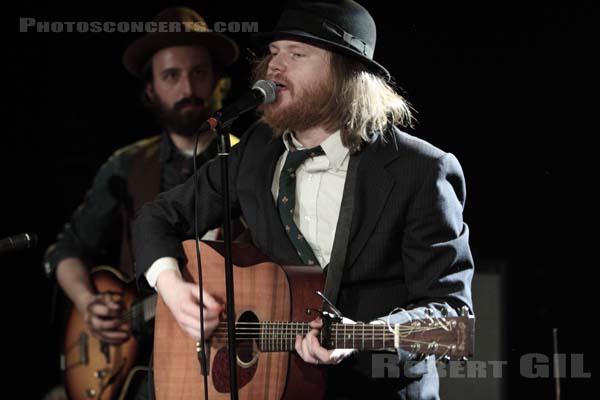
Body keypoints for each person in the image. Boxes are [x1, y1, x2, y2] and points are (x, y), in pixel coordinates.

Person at [132, 0, 474, 398]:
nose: (274, 68)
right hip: (275, 387)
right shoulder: (256, 151)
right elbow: (156, 217)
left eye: (297, 54)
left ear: (347, 74)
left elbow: (452, 323)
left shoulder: (421, 169)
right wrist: (172, 286)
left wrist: (359, 335)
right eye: (274, 52)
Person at [43, 6, 240, 399]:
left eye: (199, 72)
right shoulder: (126, 165)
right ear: (150, 89)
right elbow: (66, 250)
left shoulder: (247, 163)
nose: (188, 87)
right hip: (133, 362)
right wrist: (88, 303)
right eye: (171, 75)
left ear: (219, 81)